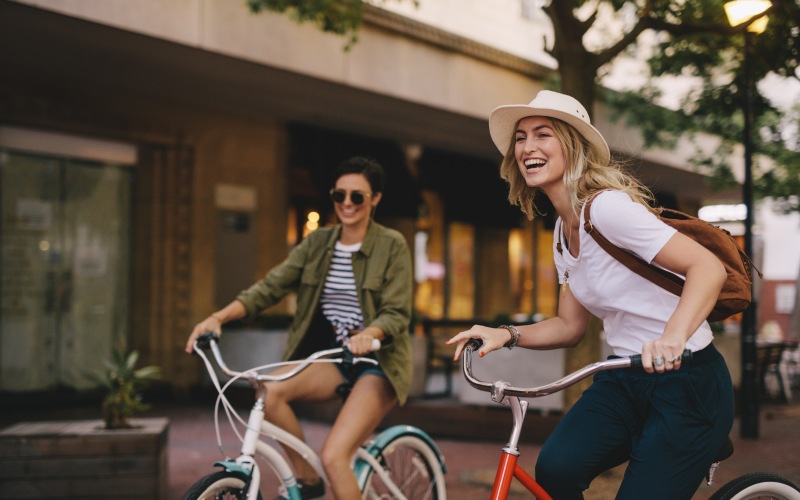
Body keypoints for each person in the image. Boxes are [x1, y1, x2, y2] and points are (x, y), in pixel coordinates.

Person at [448, 90, 735, 499]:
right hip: (623, 378)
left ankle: (700, 436)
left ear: (571, 146)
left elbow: (708, 267)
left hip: (686, 379)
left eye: (543, 134)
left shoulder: (607, 210)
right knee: (555, 469)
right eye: (521, 137)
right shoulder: (564, 233)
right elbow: (570, 326)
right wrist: (506, 334)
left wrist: (672, 336)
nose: (528, 146)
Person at [185, 156, 413, 499]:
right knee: (269, 391)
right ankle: (308, 480)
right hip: (334, 358)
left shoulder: (391, 244)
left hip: (378, 363)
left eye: (357, 197)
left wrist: (371, 334)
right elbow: (269, 288)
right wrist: (218, 317)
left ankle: (323, 471)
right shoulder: (317, 244)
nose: (347, 204)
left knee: (336, 457)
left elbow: (396, 312)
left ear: (375, 199)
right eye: (340, 196)